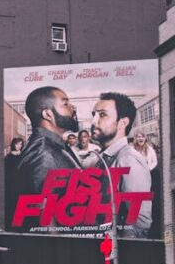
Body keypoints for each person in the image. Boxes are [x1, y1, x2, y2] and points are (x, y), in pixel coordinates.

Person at [13, 86, 82, 230]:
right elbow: (44, 221)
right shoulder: (43, 154)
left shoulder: (55, 146)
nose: (73, 108)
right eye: (65, 103)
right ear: (47, 114)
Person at [91, 92, 152, 237]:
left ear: (122, 123)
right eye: (93, 114)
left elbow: (138, 225)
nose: (93, 121)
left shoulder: (128, 160)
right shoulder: (105, 157)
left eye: (102, 115)